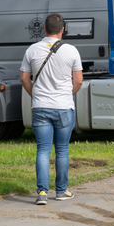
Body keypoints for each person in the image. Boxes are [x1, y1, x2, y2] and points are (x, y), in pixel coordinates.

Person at [20, 13, 83, 205]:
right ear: (62, 30)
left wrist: (36, 96)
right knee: (62, 150)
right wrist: (66, 96)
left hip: (40, 107)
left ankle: (41, 193)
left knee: (43, 150)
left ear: (45, 29)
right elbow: (79, 80)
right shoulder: (72, 51)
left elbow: (24, 78)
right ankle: (61, 192)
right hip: (63, 107)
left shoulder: (32, 50)